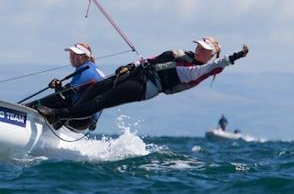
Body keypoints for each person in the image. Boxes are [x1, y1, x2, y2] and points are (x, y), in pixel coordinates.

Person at [37, 37, 249, 124]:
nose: (200, 49)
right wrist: (131, 65)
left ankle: (57, 116)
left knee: (101, 100)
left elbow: (219, 64)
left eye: (206, 49)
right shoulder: (180, 53)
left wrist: (236, 57)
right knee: (96, 88)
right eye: (200, 46)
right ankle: (69, 119)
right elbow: (151, 59)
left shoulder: (200, 70)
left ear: (211, 54)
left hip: (147, 86)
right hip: (139, 73)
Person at [30, 42, 105, 131]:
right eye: (71, 54)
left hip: (78, 119)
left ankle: (28, 110)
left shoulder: (87, 71)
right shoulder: (94, 69)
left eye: (75, 54)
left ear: (85, 56)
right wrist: (58, 87)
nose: (71, 57)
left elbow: (63, 96)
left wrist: (33, 105)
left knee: (43, 104)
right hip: (84, 121)